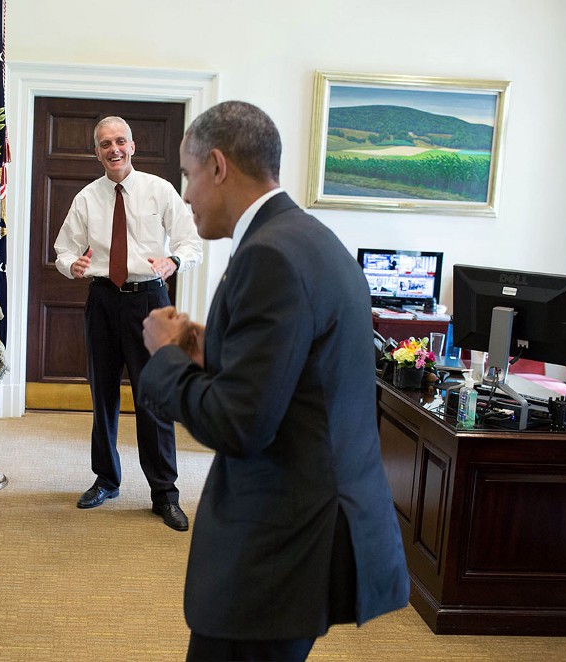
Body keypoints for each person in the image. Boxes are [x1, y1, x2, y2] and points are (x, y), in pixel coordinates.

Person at [137, 100, 409, 661]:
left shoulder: (270, 257)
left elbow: (241, 423)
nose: (185, 196)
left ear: (217, 166)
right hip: (313, 516)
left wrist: (166, 359)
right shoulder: (308, 237)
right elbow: (300, 369)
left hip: (284, 540)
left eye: (188, 175)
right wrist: (213, 346)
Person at [51, 116, 202, 530]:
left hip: (150, 301)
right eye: (104, 144)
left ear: (132, 146)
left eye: (119, 141)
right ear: (97, 151)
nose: (113, 149)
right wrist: (73, 266)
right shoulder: (86, 198)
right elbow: (62, 250)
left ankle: (165, 494)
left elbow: (191, 242)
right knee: (103, 395)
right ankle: (106, 479)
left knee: (154, 397)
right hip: (102, 300)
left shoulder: (159, 190)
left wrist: (174, 260)